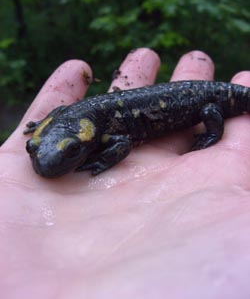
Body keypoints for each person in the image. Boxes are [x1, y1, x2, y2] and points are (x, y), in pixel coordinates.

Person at [0, 48, 250, 297]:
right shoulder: (75, 123)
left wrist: (212, 135)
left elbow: (122, 144)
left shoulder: (95, 127)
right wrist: (40, 130)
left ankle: (214, 131)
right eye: (33, 149)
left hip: (213, 101)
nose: (42, 161)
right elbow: (57, 117)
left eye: (71, 151)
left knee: (209, 111)